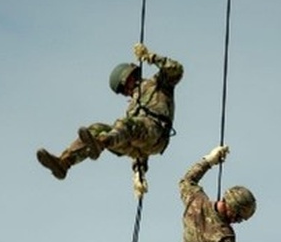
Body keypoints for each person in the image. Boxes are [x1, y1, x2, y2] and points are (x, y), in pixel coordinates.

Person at [36, 42, 183, 182]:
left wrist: (150, 56)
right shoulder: (132, 108)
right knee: (96, 128)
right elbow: (136, 137)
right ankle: (64, 163)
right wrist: (139, 172)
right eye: (123, 90)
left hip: (157, 134)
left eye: (125, 86)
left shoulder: (158, 83)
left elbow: (176, 69)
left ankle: (101, 143)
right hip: (136, 146)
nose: (126, 91)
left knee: (124, 125)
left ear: (132, 75)